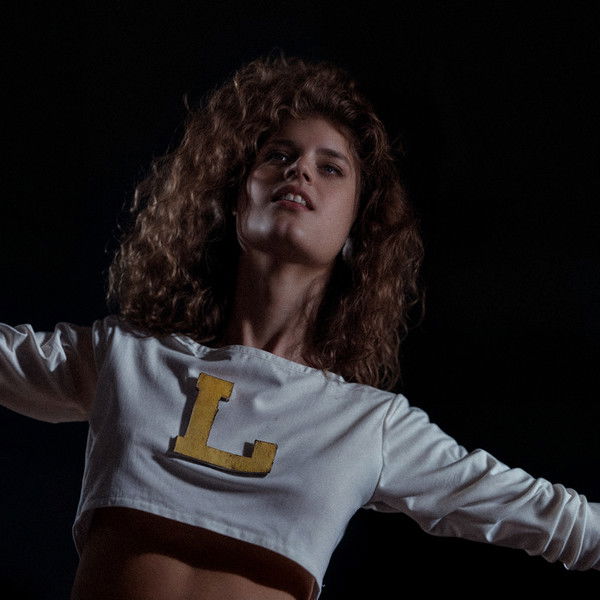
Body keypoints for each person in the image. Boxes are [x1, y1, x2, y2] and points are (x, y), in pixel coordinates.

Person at [1, 55, 598, 600]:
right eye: (277, 156)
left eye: (330, 167)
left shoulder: (365, 425)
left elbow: (557, 520)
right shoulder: (128, 358)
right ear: (236, 201)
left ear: (356, 231)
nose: (300, 171)